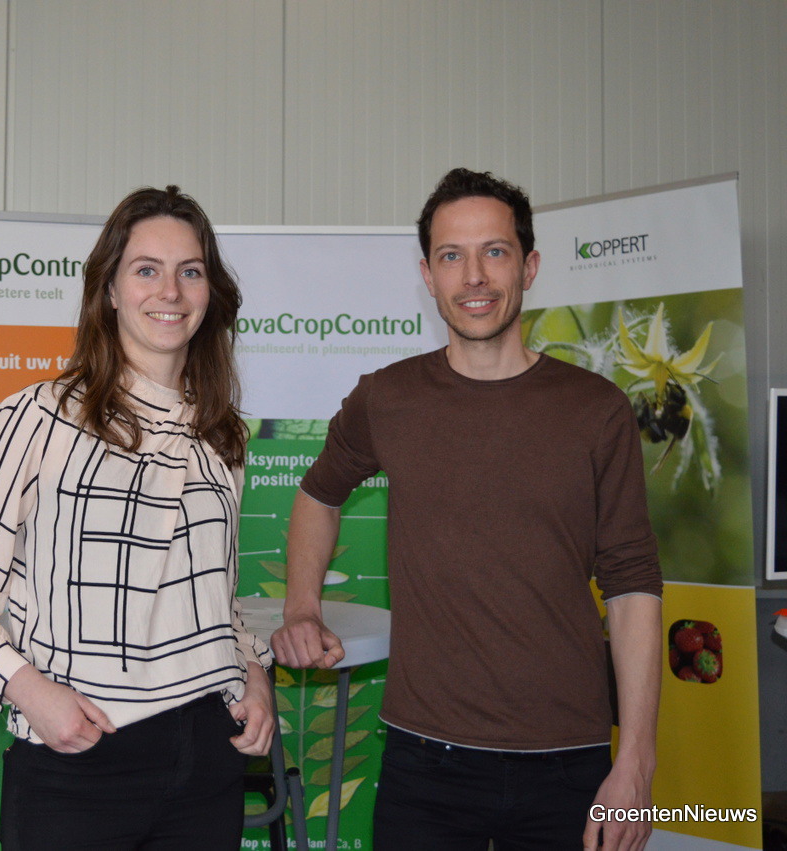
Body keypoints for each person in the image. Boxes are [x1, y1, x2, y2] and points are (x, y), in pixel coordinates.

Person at [271, 168, 663, 851]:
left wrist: (636, 761)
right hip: (426, 765)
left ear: (529, 266)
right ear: (428, 275)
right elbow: (318, 494)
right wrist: (302, 605)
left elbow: (632, 587)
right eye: (452, 255)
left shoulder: (596, 409)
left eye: (495, 251)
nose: (474, 276)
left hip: (567, 761)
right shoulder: (387, 399)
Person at [0, 185, 274, 850]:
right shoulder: (39, 416)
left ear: (210, 292)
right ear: (109, 289)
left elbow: (216, 602)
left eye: (190, 271)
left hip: (209, 754)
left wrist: (254, 676)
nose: (170, 291)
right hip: (80, 757)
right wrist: (30, 692)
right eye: (146, 269)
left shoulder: (222, 435)